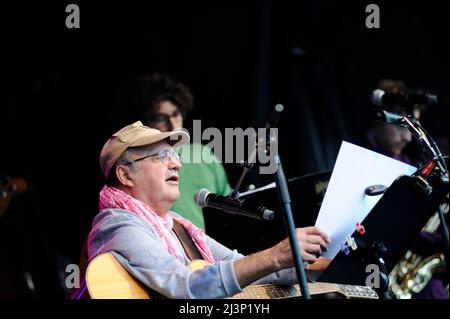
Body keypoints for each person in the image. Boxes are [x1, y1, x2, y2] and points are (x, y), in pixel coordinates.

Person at [81, 121, 330, 299]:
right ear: (125, 175)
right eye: (160, 156)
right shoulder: (117, 225)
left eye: (174, 155)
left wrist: (307, 262)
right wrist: (276, 255)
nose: (177, 163)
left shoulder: (176, 223)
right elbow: (187, 287)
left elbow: (242, 267)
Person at [353, 78, 448, 299]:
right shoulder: (357, 161)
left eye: (413, 129)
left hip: (413, 275)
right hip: (374, 272)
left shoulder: (412, 162)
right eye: (401, 126)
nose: (407, 137)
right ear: (379, 119)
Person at [115, 73, 231, 231]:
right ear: (142, 122)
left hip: (207, 252)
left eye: (175, 115)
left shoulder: (203, 153)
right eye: (160, 118)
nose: (172, 125)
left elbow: (229, 212)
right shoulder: (136, 163)